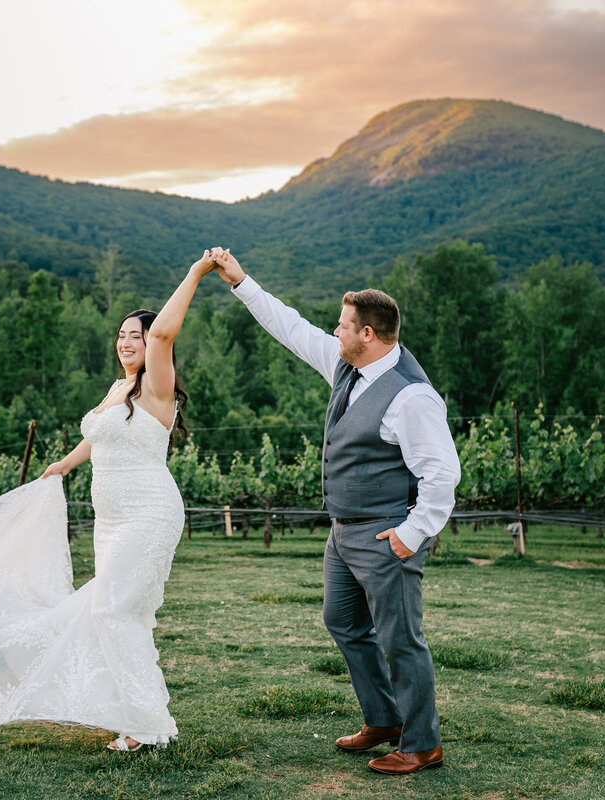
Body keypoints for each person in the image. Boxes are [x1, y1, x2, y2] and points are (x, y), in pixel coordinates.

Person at [0, 250, 218, 753]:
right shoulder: (119, 387)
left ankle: (147, 728)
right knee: (126, 614)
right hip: (111, 517)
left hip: (149, 511)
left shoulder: (157, 386)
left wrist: (194, 273)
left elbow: (166, 333)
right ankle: (151, 723)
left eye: (137, 336)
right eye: (121, 335)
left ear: (152, 344)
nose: (127, 343)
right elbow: (100, 436)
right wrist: (64, 463)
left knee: (112, 611)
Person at [210, 247, 460, 776]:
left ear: (368, 333)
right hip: (343, 534)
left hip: (385, 536)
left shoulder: (411, 397)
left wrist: (409, 535)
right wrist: (240, 282)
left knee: (401, 638)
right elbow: (293, 328)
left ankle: (422, 744)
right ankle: (384, 720)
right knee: (343, 622)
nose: (335, 331)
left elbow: (442, 475)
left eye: (343, 325)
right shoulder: (348, 367)